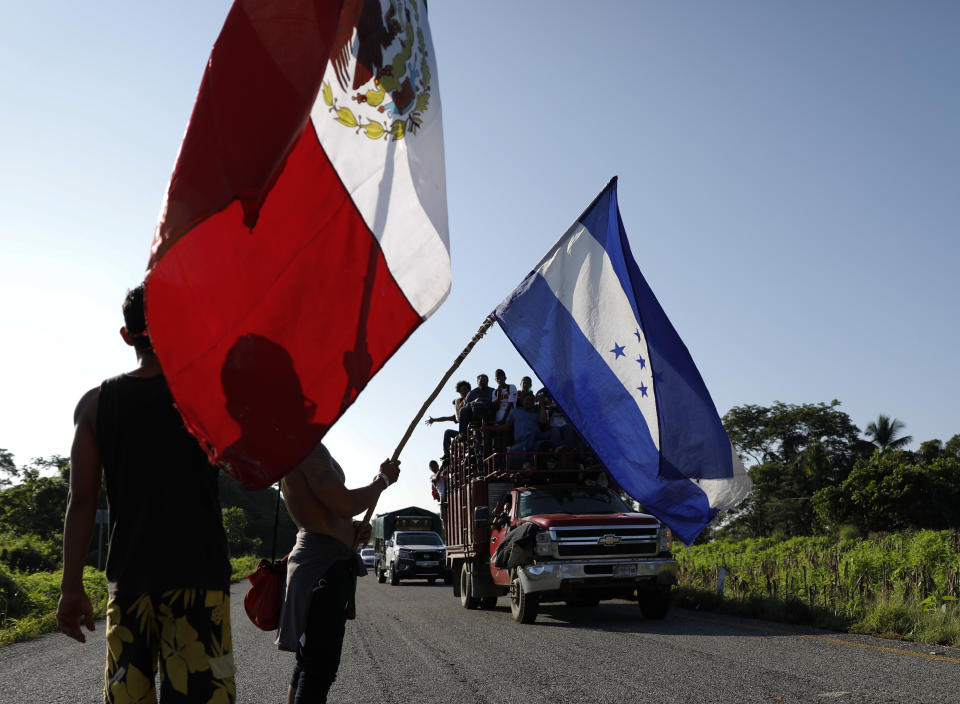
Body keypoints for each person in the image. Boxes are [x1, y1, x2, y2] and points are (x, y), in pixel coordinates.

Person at [56, 284, 234, 704]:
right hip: (200, 576)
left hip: (132, 580)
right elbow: (249, 462)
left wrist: (70, 586)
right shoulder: (208, 395)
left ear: (126, 335)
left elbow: (81, 500)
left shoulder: (96, 405)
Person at [277, 443, 400, 704]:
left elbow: (327, 510)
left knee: (308, 663)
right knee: (319, 668)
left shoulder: (301, 448)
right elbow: (344, 503)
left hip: (322, 561)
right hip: (323, 565)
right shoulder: (309, 451)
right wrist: (382, 480)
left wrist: (349, 528)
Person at [425, 380, 471, 457]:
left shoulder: (473, 400)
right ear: (459, 392)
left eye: (465, 389)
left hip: (472, 430)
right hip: (462, 433)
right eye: (461, 389)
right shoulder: (460, 405)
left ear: (469, 389)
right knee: (448, 432)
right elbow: (447, 418)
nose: (464, 391)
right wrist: (434, 420)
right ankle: (447, 454)